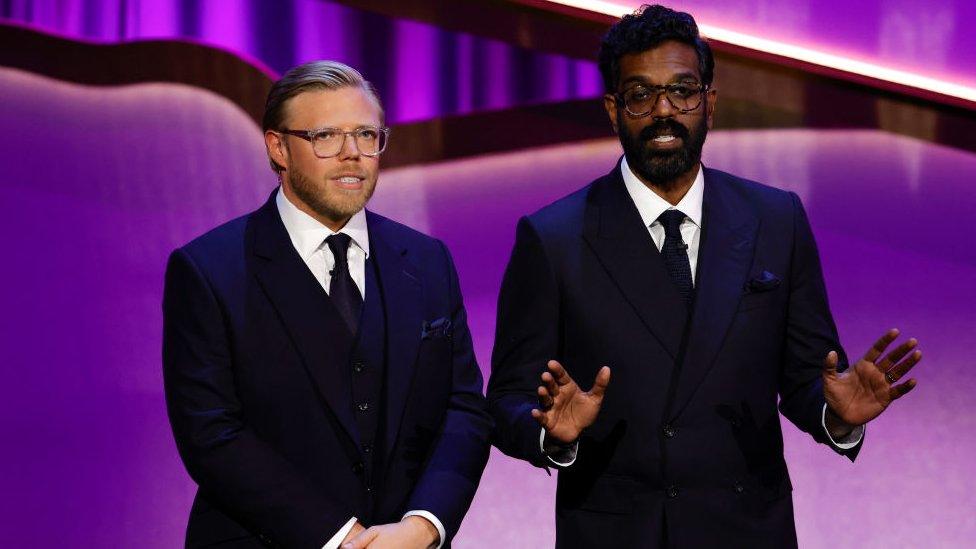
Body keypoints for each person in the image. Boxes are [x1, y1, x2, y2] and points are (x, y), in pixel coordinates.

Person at [487, 5, 921, 547]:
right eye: (641, 95)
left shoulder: (775, 219)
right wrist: (553, 438)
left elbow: (811, 377)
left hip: (746, 530)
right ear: (613, 110)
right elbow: (506, 400)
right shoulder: (553, 237)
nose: (664, 110)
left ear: (709, 104)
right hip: (619, 534)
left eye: (683, 91)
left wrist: (838, 417)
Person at [163, 61, 491, 549]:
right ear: (278, 148)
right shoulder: (209, 270)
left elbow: (463, 407)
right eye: (325, 137)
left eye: (365, 134)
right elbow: (212, 434)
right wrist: (340, 538)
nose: (351, 154)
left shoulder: (427, 261)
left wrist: (424, 525)